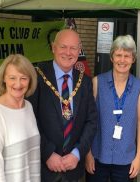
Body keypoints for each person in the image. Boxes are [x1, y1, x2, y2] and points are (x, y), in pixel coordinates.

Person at [28, 29, 97, 182]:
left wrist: (77, 154)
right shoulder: (37, 77)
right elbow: (30, 120)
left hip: (73, 169)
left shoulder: (84, 82)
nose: (68, 52)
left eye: (73, 48)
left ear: (79, 51)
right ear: (53, 47)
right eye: (63, 47)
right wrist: (47, 153)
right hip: (43, 168)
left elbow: (91, 122)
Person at [85, 35, 140, 182]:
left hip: (126, 159)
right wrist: (87, 154)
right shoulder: (97, 83)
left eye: (127, 56)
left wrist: (139, 157)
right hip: (97, 156)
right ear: (112, 57)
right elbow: (88, 120)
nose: (122, 60)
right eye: (118, 55)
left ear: (133, 59)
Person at [0, 54, 40, 182]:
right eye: (12, 78)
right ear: (3, 79)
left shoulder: (28, 107)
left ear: (30, 80)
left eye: (23, 78)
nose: (18, 84)